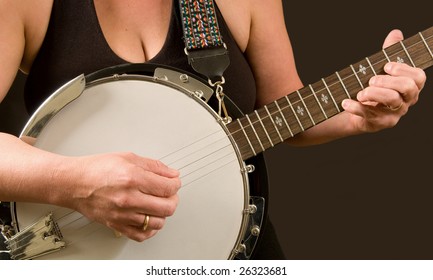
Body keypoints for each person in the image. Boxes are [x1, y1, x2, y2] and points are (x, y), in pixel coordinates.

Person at [0, 0, 426, 259]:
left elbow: (281, 108)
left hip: (230, 251)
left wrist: (356, 115)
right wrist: (77, 184)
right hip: (70, 252)